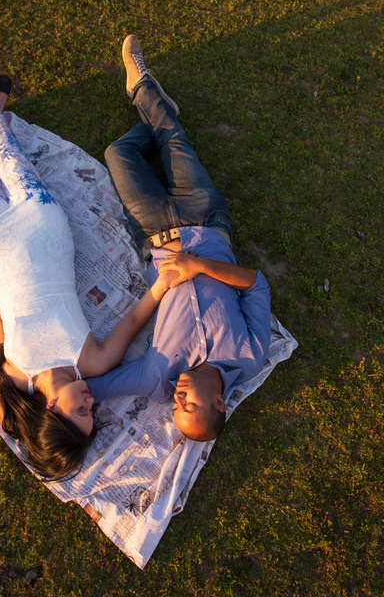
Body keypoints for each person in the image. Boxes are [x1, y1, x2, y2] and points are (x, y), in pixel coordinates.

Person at [0, 58, 177, 479]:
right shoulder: (89, 365)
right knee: (11, 160)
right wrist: (162, 287)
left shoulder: (17, 376)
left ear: (52, 408)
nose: (92, 401)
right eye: (94, 411)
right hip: (45, 232)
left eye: (82, 409)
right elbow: (131, 323)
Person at [87, 36, 272, 442]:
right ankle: (140, 82)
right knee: (174, 140)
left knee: (117, 154)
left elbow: (91, 390)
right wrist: (201, 265)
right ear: (220, 403)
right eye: (189, 405)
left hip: (154, 231)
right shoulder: (250, 356)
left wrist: (25, 398)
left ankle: (160, 113)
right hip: (207, 219)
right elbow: (257, 284)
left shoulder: (157, 375)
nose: (178, 398)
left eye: (176, 407)